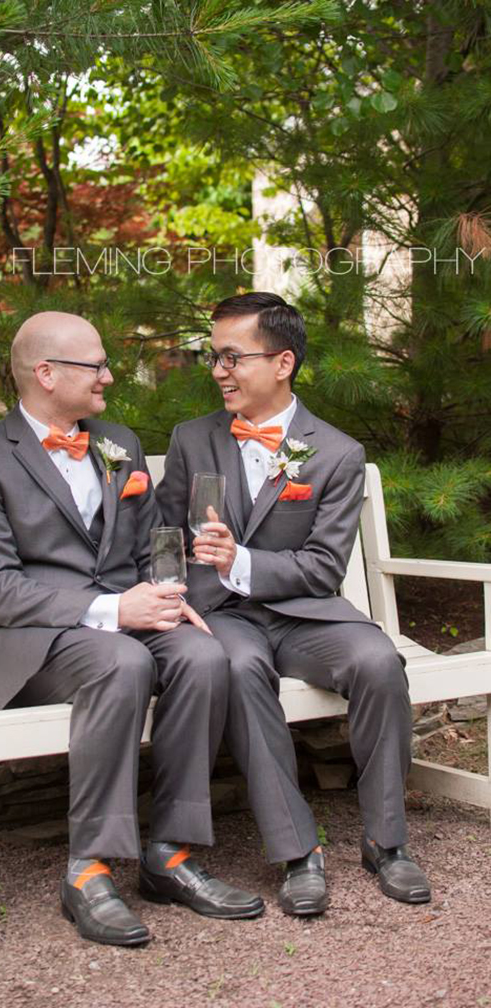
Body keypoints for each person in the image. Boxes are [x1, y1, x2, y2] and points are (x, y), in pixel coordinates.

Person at [0, 311, 264, 948]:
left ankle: (169, 855)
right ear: (46, 373)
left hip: (123, 620)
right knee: (122, 662)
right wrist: (116, 612)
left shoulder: (116, 442)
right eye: (96, 365)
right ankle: (87, 869)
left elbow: (152, 549)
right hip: (32, 639)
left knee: (203, 656)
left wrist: (169, 594)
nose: (109, 376)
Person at [156, 292, 431, 916]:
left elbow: (324, 568)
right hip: (222, 616)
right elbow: (164, 534)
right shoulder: (191, 439)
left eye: (233, 356)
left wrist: (241, 560)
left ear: (282, 363)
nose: (219, 370)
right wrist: (174, 591)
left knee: (378, 662)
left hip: (306, 612)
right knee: (239, 669)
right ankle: (297, 852)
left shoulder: (336, 452)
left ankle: (386, 842)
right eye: (214, 356)